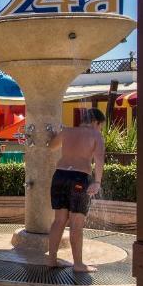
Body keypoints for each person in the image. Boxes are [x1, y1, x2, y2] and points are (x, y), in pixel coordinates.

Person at [46, 108, 105, 272]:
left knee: (59, 220)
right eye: (100, 126)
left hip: (59, 176)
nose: (100, 129)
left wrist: (55, 134)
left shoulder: (67, 131)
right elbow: (99, 159)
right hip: (79, 178)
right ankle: (78, 264)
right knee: (76, 223)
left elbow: (51, 147)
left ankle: (51, 259)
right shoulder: (96, 135)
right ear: (96, 122)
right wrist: (97, 182)